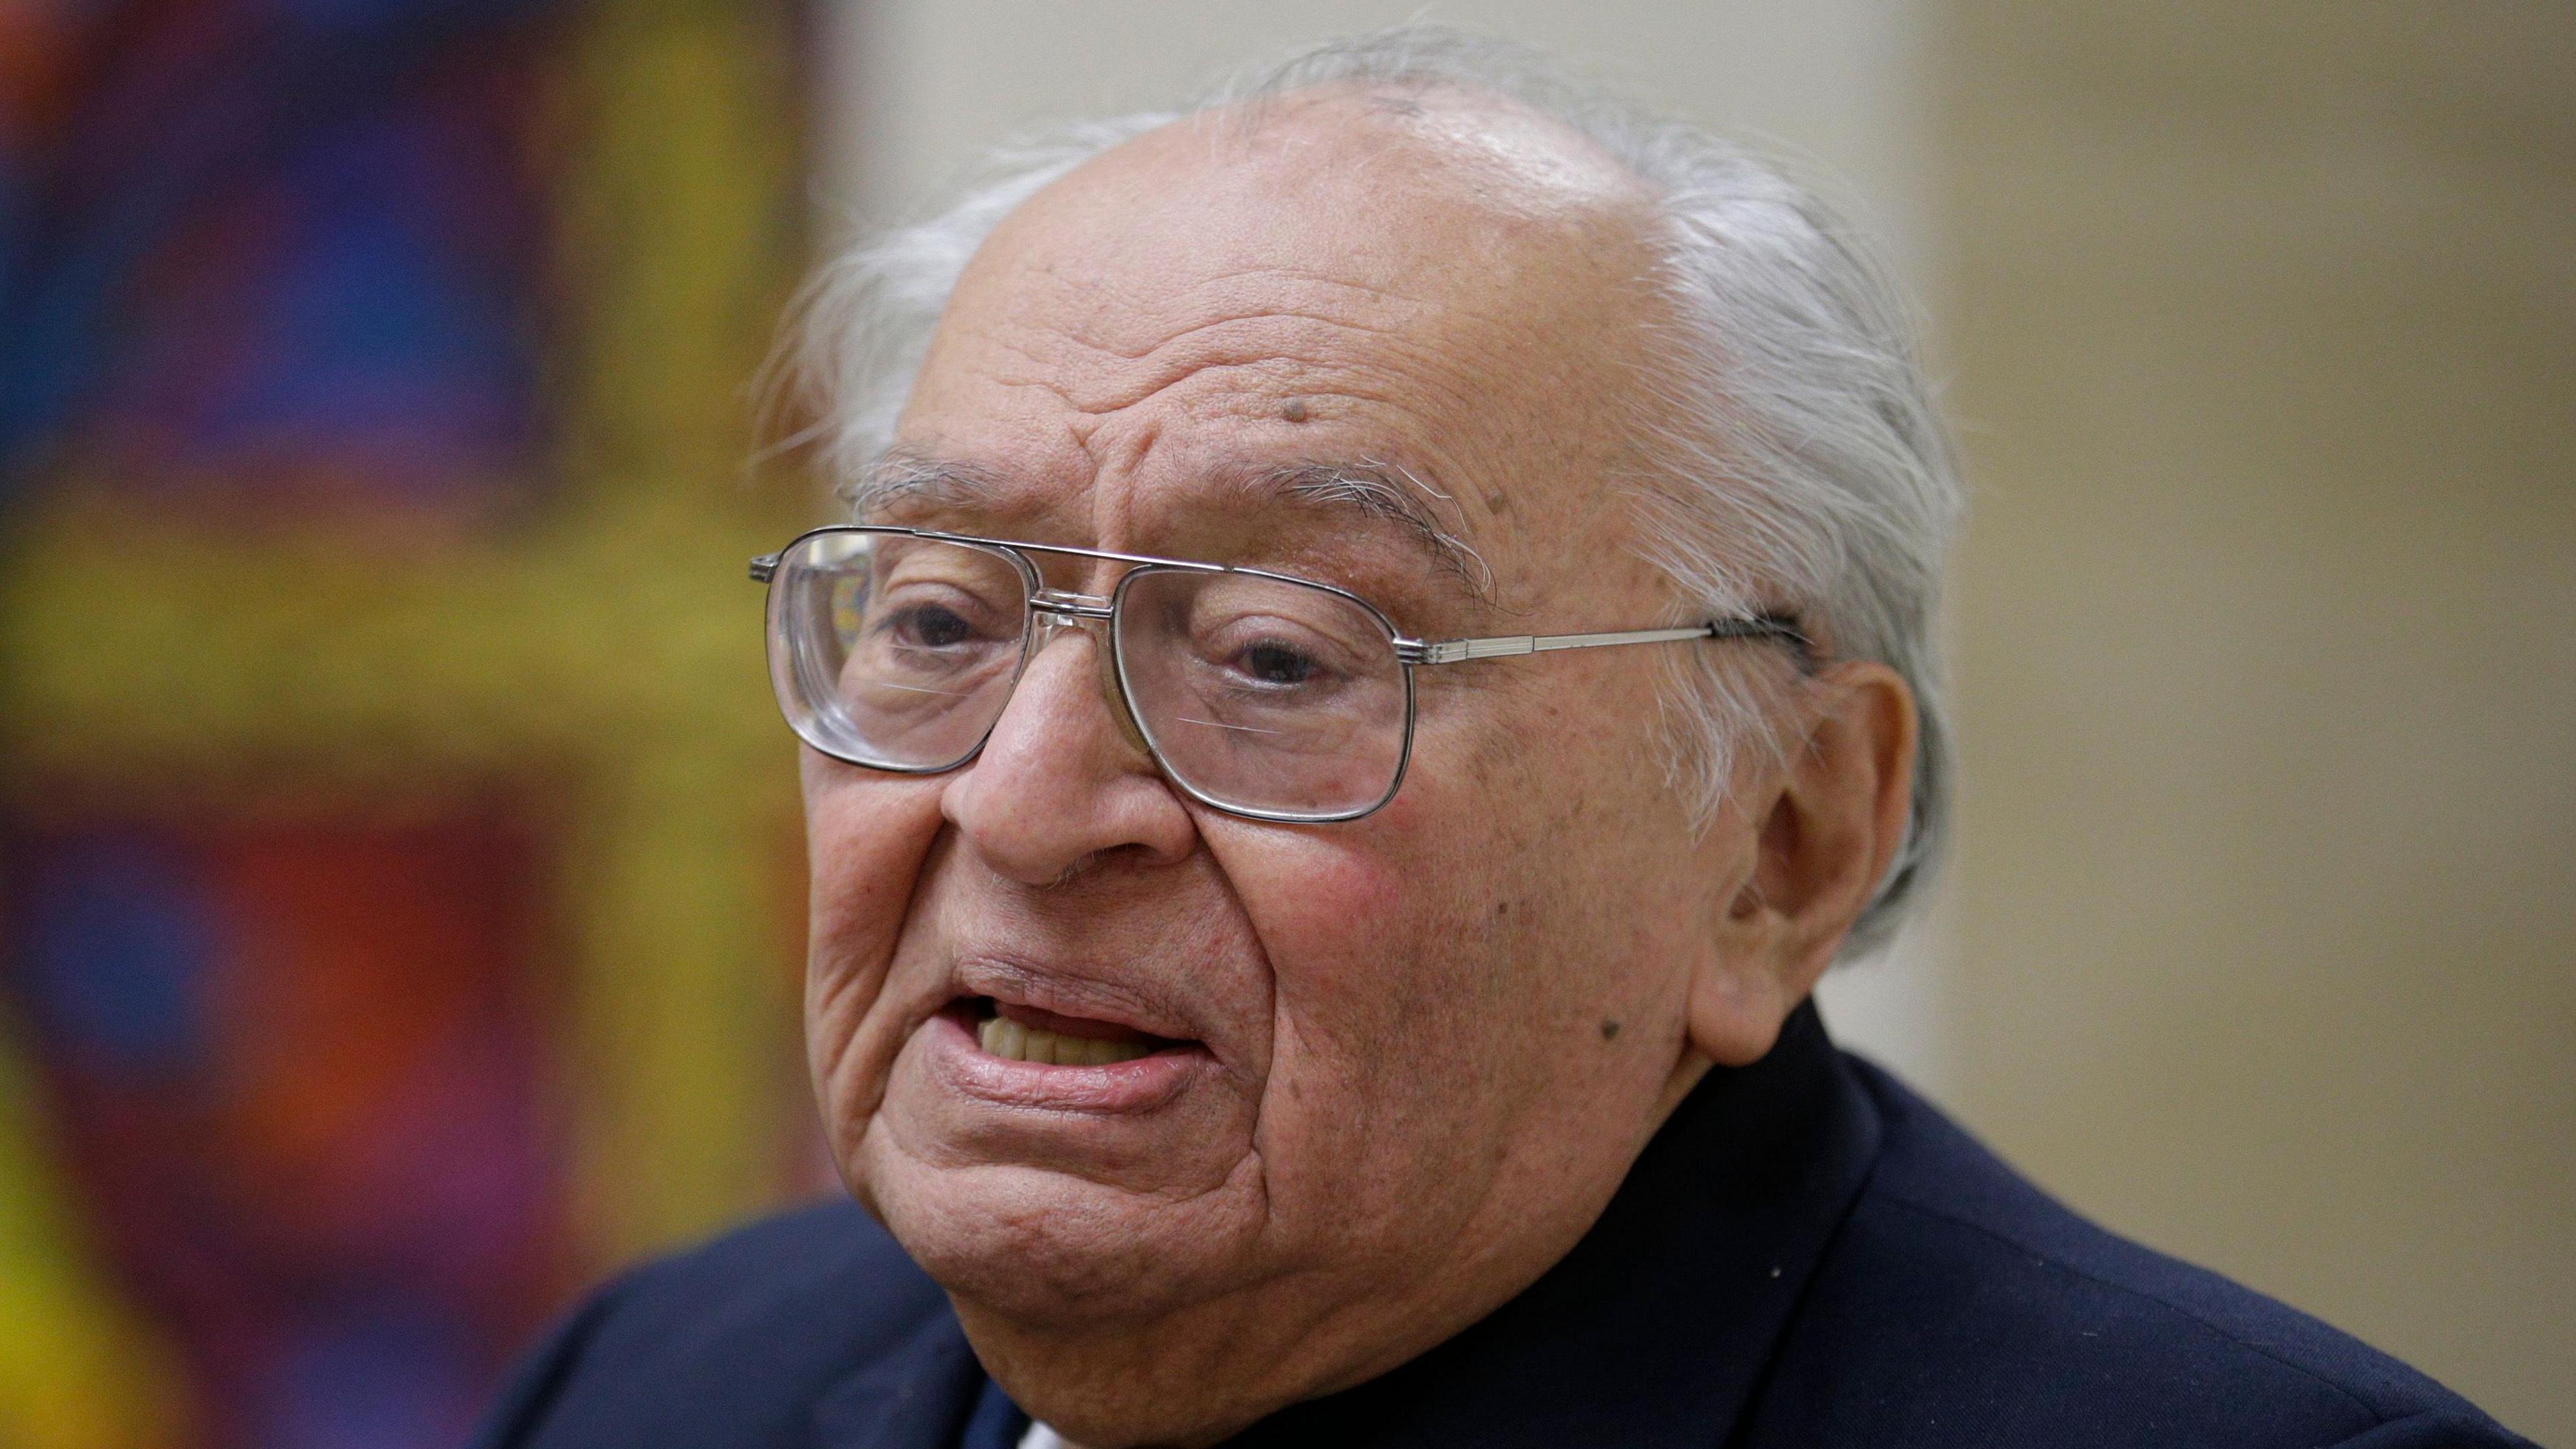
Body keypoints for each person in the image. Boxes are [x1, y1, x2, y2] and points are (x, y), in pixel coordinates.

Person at [473, 30, 2527, 1449]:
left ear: (1781, 845)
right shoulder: (663, 1385)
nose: (1023, 802)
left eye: (1279, 658)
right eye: (935, 619)